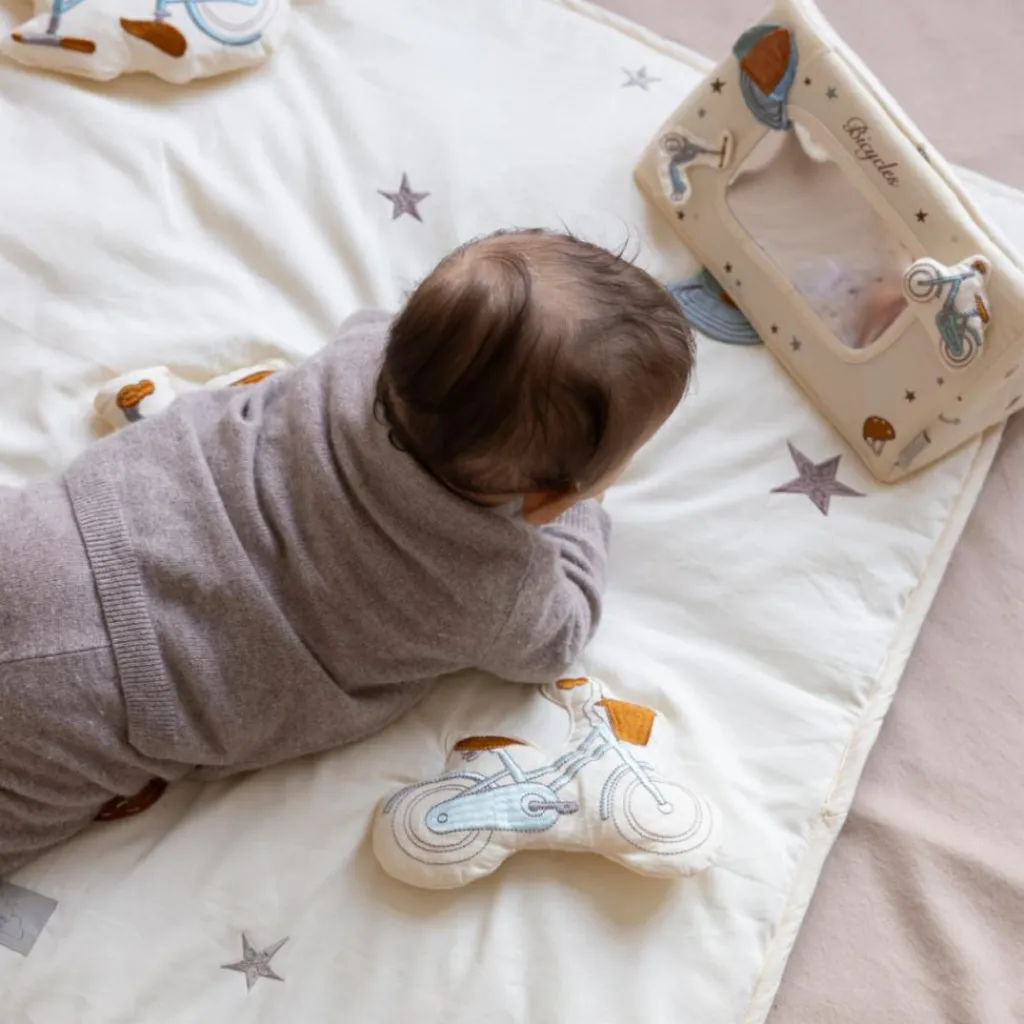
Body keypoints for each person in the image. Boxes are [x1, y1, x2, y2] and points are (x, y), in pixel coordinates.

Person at [0, 228, 695, 877]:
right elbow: (560, 636)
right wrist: (581, 513)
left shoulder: (359, 353)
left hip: (48, 538)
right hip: (103, 703)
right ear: (547, 498)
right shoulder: (496, 582)